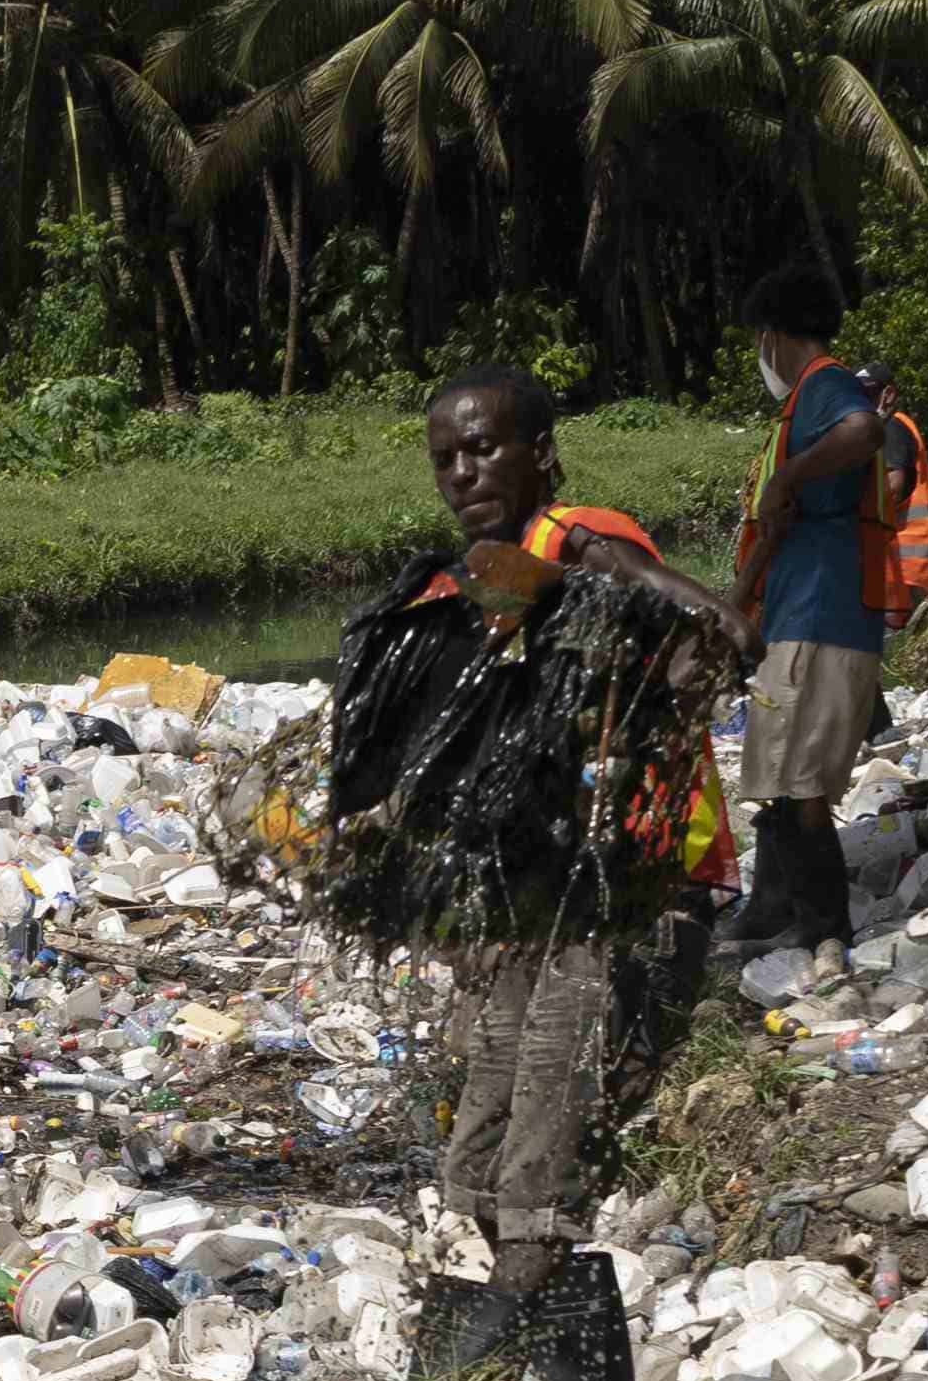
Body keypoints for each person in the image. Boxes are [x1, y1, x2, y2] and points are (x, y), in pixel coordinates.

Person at [320, 367, 748, 1317]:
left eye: (484, 448)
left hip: (641, 878)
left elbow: (700, 631)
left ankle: (528, 1263)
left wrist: (637, 633)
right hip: (543, 881)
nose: (464, 472)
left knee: (552, 1054)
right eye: (446, 458)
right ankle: (500, 1255)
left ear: (540, 454)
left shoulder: (580, 541)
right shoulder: (486, 575)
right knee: (493, 1073)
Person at [726, 260, 907, 953]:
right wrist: (737, 607)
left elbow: (865, 431)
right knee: (776, 778)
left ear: (772, 335)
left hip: (823, 614)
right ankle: (773, 916)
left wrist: (794, 473)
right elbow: (775, 526)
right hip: (798, 611)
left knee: (800, 788)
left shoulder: (826, 386)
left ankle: (823, 935)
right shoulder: (799, 404)